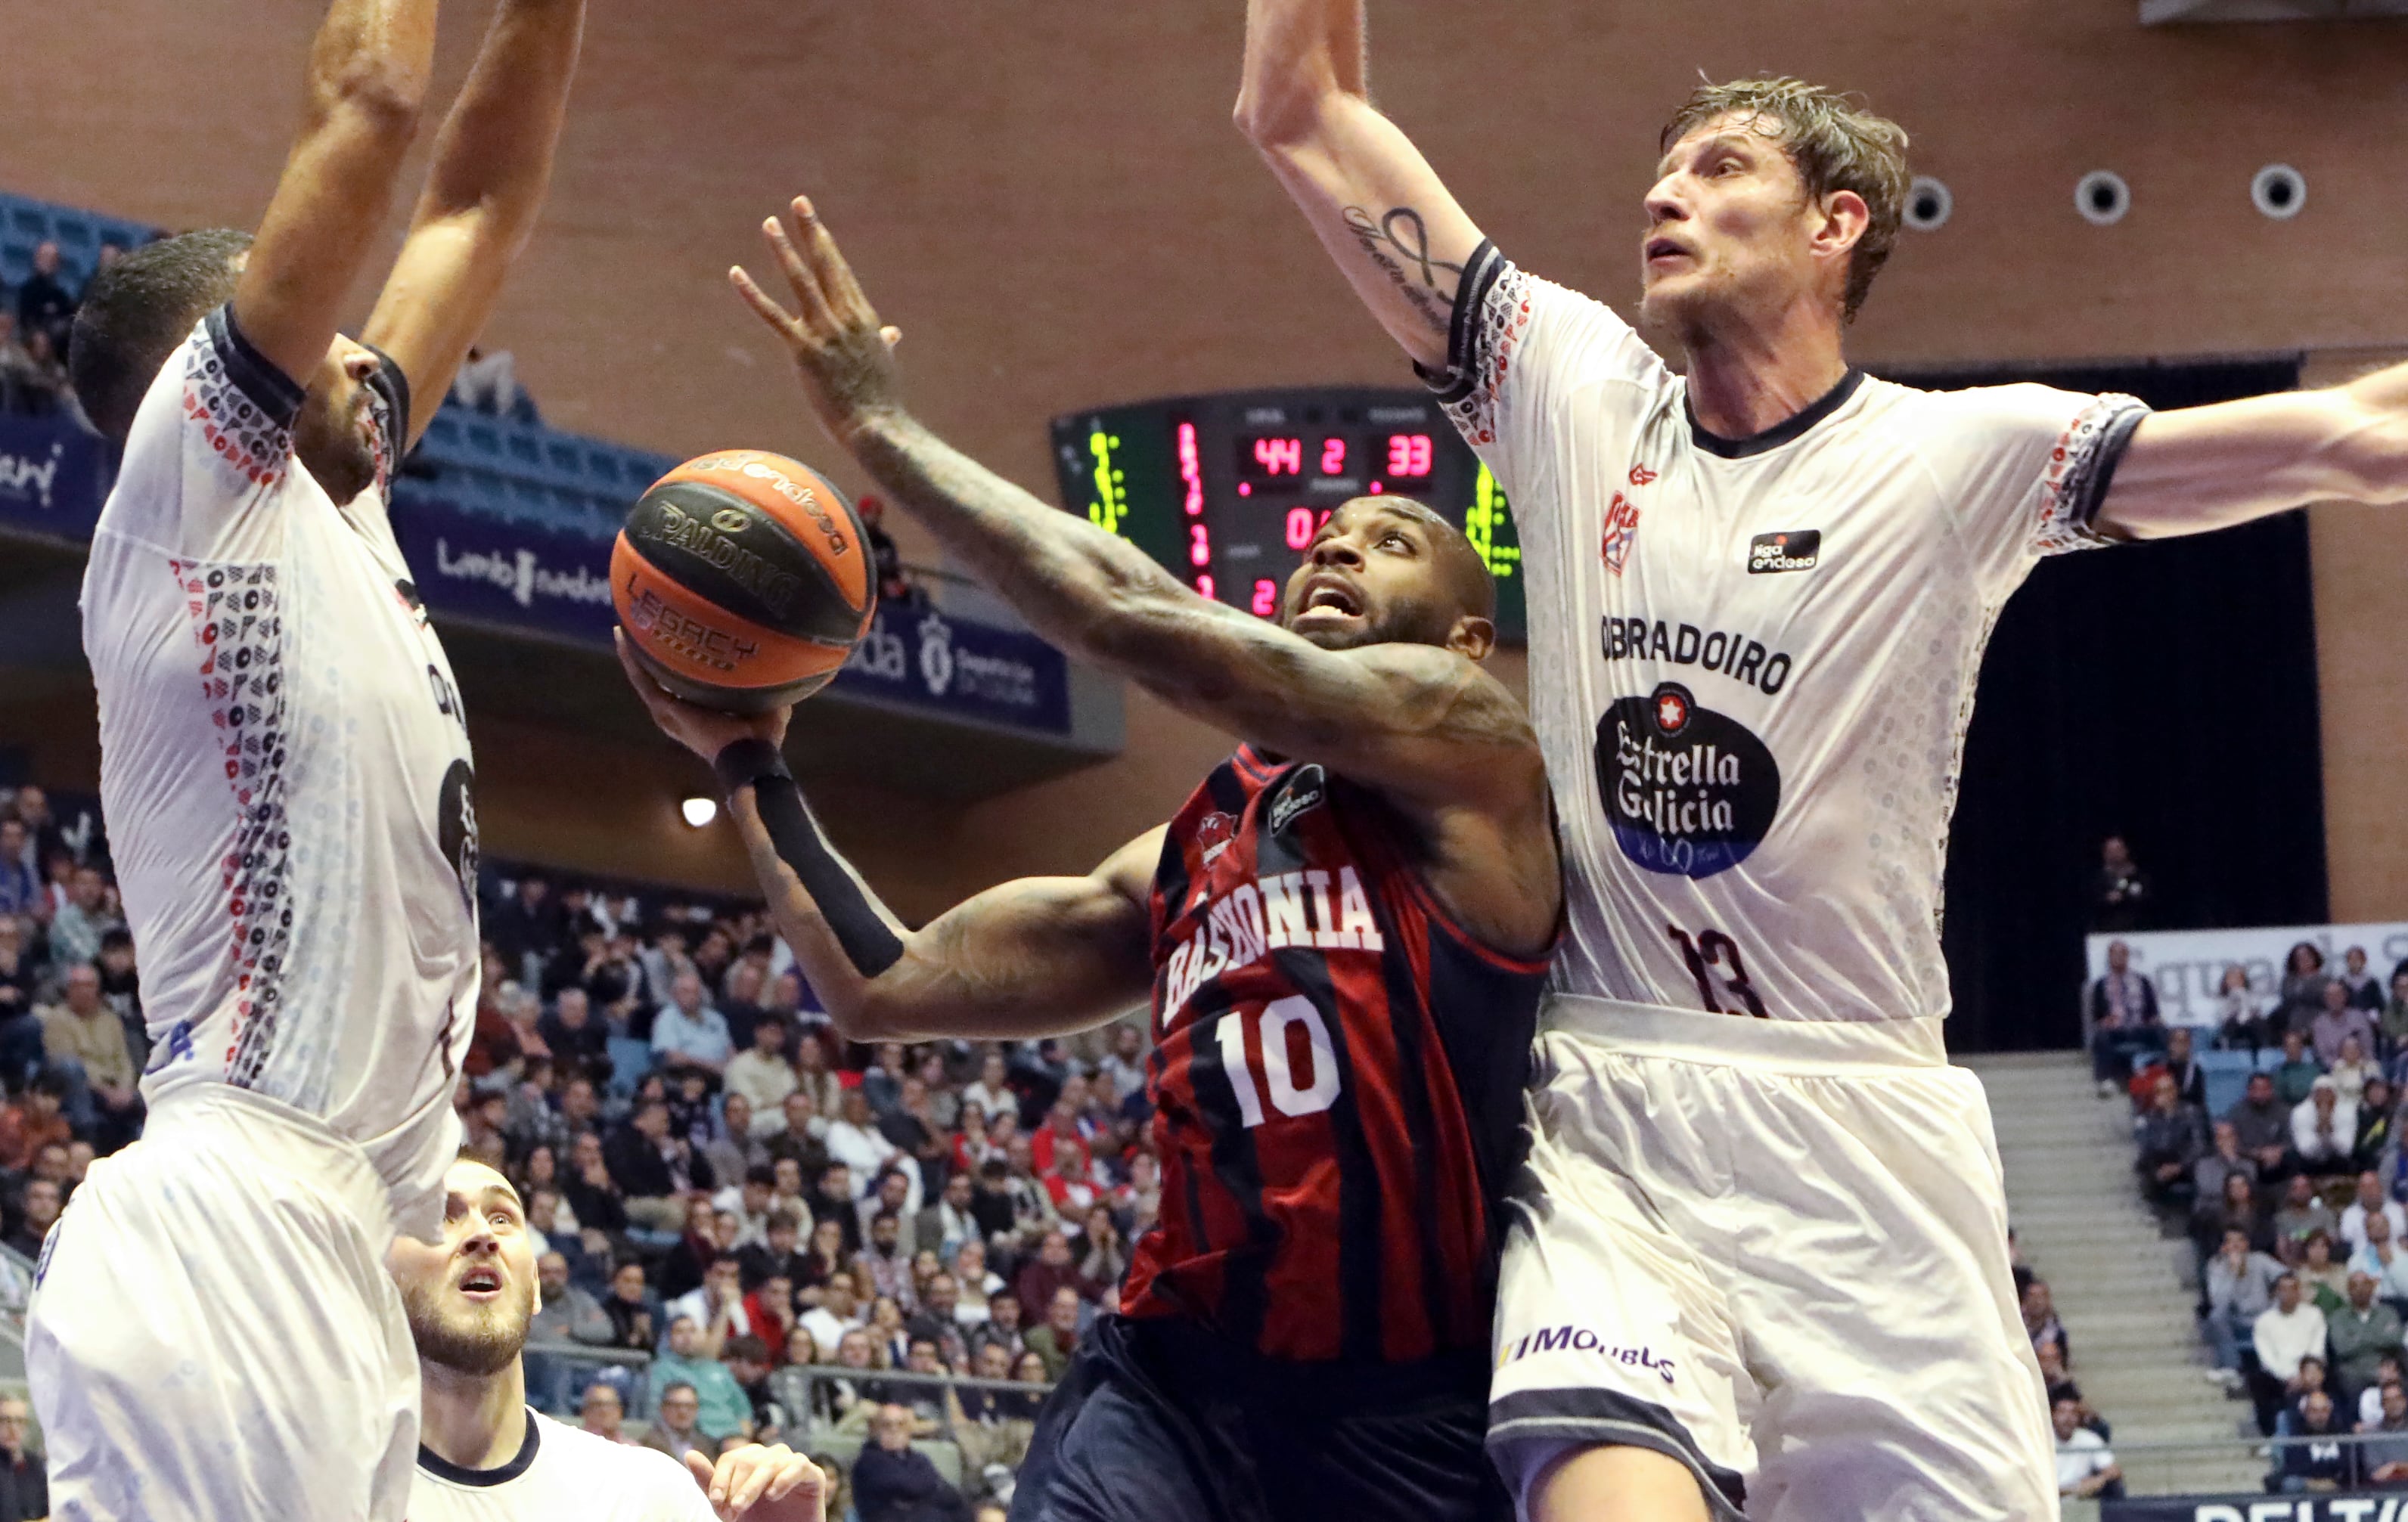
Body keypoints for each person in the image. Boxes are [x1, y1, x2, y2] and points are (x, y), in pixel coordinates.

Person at [1240, 0, 2408, 1503]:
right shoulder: (1568, 387)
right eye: (1656, 174)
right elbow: (1298, 112)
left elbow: (2350, 437)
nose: (1662, 194)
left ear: (1832, 223)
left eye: (1716, 167)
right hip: (1614, 1109)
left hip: (1868, 1145)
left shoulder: (1955, 457)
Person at [621, 194, 1564, 1522]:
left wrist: (879, 427)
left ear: (1463, 640)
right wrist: (745, 753)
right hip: (1168, 1377)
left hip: (1397, 1399)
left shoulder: (1474, 755)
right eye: (1327, 535)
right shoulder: (1184, 851)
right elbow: (883, 982)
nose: (1342, 541)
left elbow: (1131, 613)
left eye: (1392, 539)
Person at [26, 0, 587, 1512]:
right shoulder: (192, 494)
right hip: (230, 1214)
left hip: (340, 1251)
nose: (370, 356)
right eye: (330, 330)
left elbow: (476, 208)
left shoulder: (342, 500)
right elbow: (374, 109)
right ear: (231, 368)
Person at [392, 1158, 826, 1520]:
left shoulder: (650, 1496)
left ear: (536, 1286)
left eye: (502, 1218)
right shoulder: (334, 1489)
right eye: (440, 1215)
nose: (482, 1234)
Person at [852, 1403, 968, 1522]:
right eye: (887, 1425)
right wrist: (930, 1489)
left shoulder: (919, 1458)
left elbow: (951, 1496)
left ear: (908, 1430)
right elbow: (908, 1485)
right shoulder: (868, 1462)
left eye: (900, 1424)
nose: (894, 1429)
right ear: (875, 1430)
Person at [2256, 1273, 2332, 1436]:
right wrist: (2290, 1377)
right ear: (2276, 1293)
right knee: (2259, 1381)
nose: (2289, 1294)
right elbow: (2267, 1358)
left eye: (2293, 1289)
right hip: (2280, 1376)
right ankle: (2270, 1436)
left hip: (2311, 1371)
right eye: (2284, 1289)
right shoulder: (2264, 1321)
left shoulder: (2314, 1314)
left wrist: (2306, 1376)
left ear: (2299, 1292)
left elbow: (2316, 1348)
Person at [2087, 941, 2167, 1095]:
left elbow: (2153, 1010)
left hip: (2140, 1027)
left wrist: (2153, 1019)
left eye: (2121, 954)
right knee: (2101, 1035)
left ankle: (2163, 1073)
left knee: (2161, 1030)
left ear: (2127, 956)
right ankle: (2106, 1081)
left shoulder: (2142, 980)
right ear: (2109, 958)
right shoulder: (2100, 984)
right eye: (2114, 954)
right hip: (2116, 1030)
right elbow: (2097, 1015)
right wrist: (2106, 1021)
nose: (2118, 957)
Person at [2050, 1394, 2121, 1502]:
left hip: (2081, 1501)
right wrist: (2072, 1490)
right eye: (2062, 1412)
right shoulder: (2041, 1440)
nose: (2068, 1418)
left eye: (2073, 1413)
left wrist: (2098, 1480)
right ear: (2053, 1416)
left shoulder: (2089, 1438)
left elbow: (2114, 1471)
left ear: (2079, 1418)